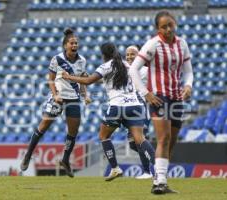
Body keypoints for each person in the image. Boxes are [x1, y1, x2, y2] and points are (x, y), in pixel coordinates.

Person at [62, 42, 155, 182]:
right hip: (135, 106)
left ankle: (115, 168)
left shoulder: (105, 66)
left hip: (117, 106)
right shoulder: (127, 65)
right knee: (140, 139)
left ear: (104, 55)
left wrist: (69, 77)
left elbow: (87, 81)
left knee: (104, 135)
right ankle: (159, 167)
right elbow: (111, 80)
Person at [129, 11, 193, 194]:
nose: (168, 29)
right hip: (159, 97)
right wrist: (146, 93)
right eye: (163, 26)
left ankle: (160, 178)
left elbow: (188, 71)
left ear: (175, 24)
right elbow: (133, 70)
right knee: (163, 138)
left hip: (176, 98)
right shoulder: (153, 44)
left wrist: (188, 85)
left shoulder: (182, 44)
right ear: (158, 28)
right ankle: (159, 183)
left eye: (170, 25)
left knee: (171, 141)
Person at [20, 28, 91, 178]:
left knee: (73, 132)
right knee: (44, 124)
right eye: (72, 43)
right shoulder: (57, 59)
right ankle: (28, 155)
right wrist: (55, 94)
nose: (75, 45)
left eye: (76, 43)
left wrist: (85, 96)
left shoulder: (82, 60)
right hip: (58, 97)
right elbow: (51, 80)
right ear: (65, 45)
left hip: (73, 98)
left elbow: (81, 80)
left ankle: (65, 159)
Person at [126, 45, 154, 179]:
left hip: (141, 109)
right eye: (127, 54)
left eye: (132, 54)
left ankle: (150, 170)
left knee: (139, 140)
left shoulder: (146, 70)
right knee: (133, 143)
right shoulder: (127, 70)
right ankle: (151, 163)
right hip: (130, 110)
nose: (129, 57)